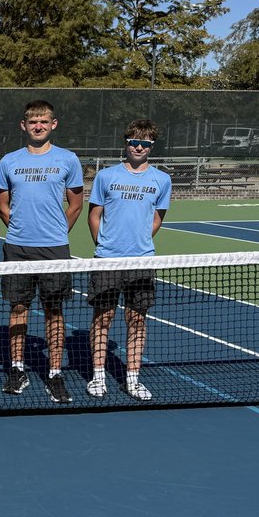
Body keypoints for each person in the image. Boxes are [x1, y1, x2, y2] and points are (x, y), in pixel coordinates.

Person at [0, 100, 84, 403]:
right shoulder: (8, 161)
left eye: (43, 121)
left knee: (54, 311)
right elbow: (2, 205)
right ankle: (17, 369)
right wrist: (20, 229)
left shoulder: (68, 159)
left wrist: (57, 232)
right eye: (33, 122)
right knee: (18, 308)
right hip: (17, 248)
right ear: (24, 126)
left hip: (54, 249)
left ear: (53, 124)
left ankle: (55, 373)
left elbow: (76, 204)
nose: (38, 126)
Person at [86, 119, 172, 401]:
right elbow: (94, 215)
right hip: (107, 261)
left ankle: (132, 379)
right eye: (134, 142)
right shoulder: (106, 176)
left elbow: (157, 218)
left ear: (152, 146)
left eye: (145, 143)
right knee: (103, 318)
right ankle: (98, 376)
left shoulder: (162, 180)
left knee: (137, 320)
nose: (139, 147)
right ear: (126, 143)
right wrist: (104, 245)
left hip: (141, 262)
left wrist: (140, 242)